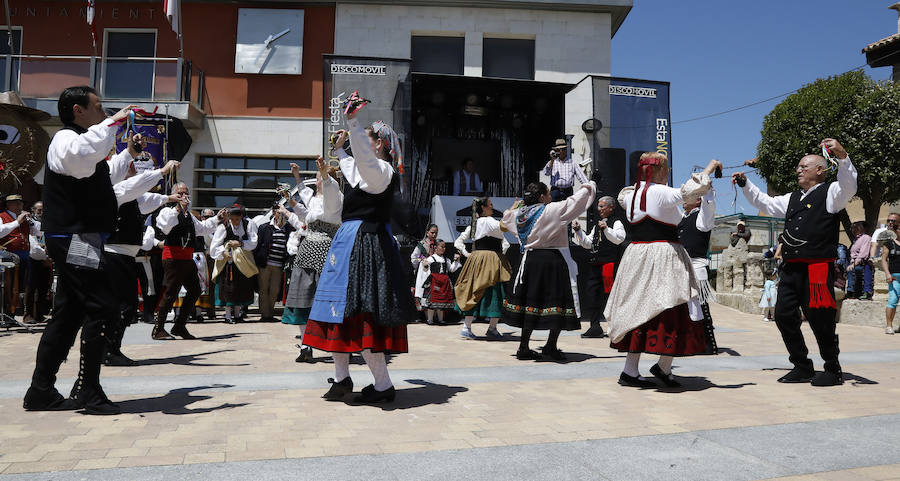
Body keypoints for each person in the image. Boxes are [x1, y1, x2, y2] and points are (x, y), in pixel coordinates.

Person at [24, 86, 141, 415]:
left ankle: (40, 390)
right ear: (78, 110)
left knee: (70, 312)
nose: (104, 113)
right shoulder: (65, 139)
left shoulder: (80, 143)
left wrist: (127, 153)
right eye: (99, 107)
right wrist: (114, 123)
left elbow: (97, 174)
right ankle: (88, 390)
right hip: (75, 238)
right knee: (102, 305)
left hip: (80, 238)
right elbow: (79, 159)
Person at [302, 105, 416, 404]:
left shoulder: (383, 171)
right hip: (348, 243)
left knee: (362, 312)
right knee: (337, 311)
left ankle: (382, 385)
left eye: (367, 139)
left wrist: (352, 122)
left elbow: (362, 163)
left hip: (366, 245)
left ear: (379, 144)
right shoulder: (364, 175)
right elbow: (349, 181)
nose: (360, 145)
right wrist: (336, 158)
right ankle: (342, 379)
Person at [733, 138, 857, 386]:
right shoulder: (792, 198)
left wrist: (843, 157)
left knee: (821, 321)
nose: (798, 170)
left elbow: (849, 185)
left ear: (819, 170)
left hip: (817, 270)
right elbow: (765, 203)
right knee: (783, 316)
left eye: (804, 166)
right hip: (790, 269)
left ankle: (832, 369)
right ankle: (802, 365)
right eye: (799, 167)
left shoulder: (832, 192)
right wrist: (746, 184)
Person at [606, 156, 720, 388]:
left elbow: (623, 194)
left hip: (636, 256)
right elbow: (692, 190)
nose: (668, 173)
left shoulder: (631, 196)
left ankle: (631, 370)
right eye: (665, 169)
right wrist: (710, 166)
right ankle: (663, 366)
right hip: (664, 256)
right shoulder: (661, 193)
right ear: (659, 171)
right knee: (673, 307)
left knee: (636, 308)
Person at [102, 150, 181, 367]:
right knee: (123, 307)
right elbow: (137, 186)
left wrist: (168, 198)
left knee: (126, 307)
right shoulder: (117, 190)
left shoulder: (133, 198)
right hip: (113, 256)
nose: (134, 169)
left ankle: (109, 349)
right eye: (131, 165)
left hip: (124, 257)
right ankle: (108, 350)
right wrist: (163, 171)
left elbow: (147, 198)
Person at [503, 180, 595, 360]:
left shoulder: (518, 215)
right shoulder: (551, 210)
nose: (551, 197)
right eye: (548, 194)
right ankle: (551, 345)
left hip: (528, 261)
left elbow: (506, 217)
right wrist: (590, 184)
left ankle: (523, 347)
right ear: (542, 197)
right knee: (557, 303)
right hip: (551, 261)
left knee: (530, 303)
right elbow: (576, 201)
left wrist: (518, 204)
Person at [284, 158, 343, 363]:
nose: (317, 180)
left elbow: (330, 190)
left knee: (327, 298)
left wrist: (325, 175)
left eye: (318, 178)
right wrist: (298, 177)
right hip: (307, 248)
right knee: (303, 296)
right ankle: (306, 346)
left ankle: (338, 343)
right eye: (318, 177)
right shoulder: (316, 199)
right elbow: (305, 194)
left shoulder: (335, 198)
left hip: (327, 250)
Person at [154, 182, 225, 340]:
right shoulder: (167, 211)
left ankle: (179, 326)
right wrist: (179, 208)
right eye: (180, 193)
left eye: (186, 193)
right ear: (174, 196)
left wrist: (217, 219)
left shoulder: (190, 215)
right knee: (171, 293)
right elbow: (165, 227)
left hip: (187, 258)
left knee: (195, 290)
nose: (185, 196)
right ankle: (158, 329)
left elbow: (202, 229)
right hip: (173, 258)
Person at [453, 197, 512, 340]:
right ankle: (492, 328)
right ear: (484, 208)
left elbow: (458, 241)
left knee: (473, 290)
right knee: (494, 292)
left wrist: (468, 254)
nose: (492, 208)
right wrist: (511, 211)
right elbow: (505, 230)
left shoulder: (474, 224)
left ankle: (466, 327)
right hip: (491, 260)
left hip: (476, 259)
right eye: (490, 205)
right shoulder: (489, 221)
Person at [571, 195, 626, 338]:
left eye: (602, 206)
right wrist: (578, 231)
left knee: (610, 296)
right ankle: (595, 326)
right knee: (592, 295)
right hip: (596, 265)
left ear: (611, 207)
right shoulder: (598, 224)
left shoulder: (617, 222)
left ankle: (615, 326)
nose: (599, 209)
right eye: (599, 206)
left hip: (609, 264)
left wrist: (607, 229)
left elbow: (619, 239)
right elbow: (588, 243)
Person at [678, 184, 718, 355]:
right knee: (683, 307)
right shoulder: (683, 218)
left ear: (697, 200)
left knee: (702, 306)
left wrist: (707, 187)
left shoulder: (703, 218)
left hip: (697, 267)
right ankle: (691, 343)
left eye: (689, 197)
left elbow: (709, 204)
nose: (683, 200)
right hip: (682, 268)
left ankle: (709, 345)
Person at [210, 204, 259, 322]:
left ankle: (237, 315)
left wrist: (241, 244)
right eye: (232, 219)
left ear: (241, 217)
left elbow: (253, 242)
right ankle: (227, 316)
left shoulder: (248, 225)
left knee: (240, 288)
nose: (235, 222)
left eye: (237, 219)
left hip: (243, 263)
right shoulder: (223, 227)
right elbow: (214, 246)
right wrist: (223, 252)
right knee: (228, 288)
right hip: (228, 263)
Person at [0, 194, 42, 316]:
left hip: (24, 257)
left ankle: (14, 312)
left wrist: (32, 222)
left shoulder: (25, 219)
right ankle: (7, 313)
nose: (19, 205)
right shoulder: (2, 216)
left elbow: (40, 231)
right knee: (8, 286)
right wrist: (17, 222)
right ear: (8, 205)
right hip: (7, 258)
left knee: (20, 287)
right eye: (15, 203)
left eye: (21, 203)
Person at [254, 202, 295, 322]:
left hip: (278, 266)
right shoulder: (264, 227)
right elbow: (257, 246)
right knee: (263, 289)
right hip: (265, 264)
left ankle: (270, 313)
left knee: (274, 290)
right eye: (279, 212)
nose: (281, 214)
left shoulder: (288, 229)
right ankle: (264, 314)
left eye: (283, 212)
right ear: (274, 214)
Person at [418, 240, 462, 325]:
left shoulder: (446, 259)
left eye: (444, 247)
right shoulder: (431, 258)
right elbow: (425, 269)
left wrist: (457, 260)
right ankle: (430, 320)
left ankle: (441, 320)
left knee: (441, 301)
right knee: (432, 300)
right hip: (434, 282)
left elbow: (451, 269)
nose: (443, 248)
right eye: (441, 246)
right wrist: (425, 264)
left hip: (444, 283)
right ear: (435, 247)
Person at [24, 203, 51, 325]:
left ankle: (39, 314)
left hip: (46, 259)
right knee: (31, 288)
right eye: (39, 210)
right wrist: (46, 255)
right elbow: (33, 245)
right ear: (33, 210)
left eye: (43, 210)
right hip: (34, 258)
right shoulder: (30, 224)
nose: (41, 213)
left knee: (43, 288)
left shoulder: (47, 224)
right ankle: (28, 315)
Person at [881, 212, 900, 335]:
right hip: (894, 276)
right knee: (893, 299)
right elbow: (883, 259)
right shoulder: (889, 242)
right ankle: (889, 326)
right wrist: (887, 273)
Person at [846, 221, 873, 300]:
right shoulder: (856, 240)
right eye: (852, 228)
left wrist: (853, 265)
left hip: (861, 264)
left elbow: (863, 254)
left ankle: (852, 293)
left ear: (862, 228)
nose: (853, 230)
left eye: (856, 227)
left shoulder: (866, 238)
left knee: (853, 270)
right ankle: (850, 292)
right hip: (853, 262)